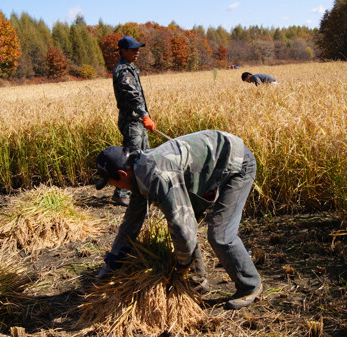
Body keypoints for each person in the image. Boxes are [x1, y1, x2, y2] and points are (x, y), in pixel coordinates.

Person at [95, 130, 263, 310]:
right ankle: (197, 281)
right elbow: (131, 222)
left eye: (111, 182)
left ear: (122, 174)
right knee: (182, 227)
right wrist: (113, 261)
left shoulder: (157, 176)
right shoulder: (137, 173)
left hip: (235, 162)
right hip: (206, 169)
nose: (113, 187)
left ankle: (250, 286)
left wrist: (182, 265)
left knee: (220, 235)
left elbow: (182, 226)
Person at [111, 35, 156, 206]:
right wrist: (145, 115)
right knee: (132, 157)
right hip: (132, 121)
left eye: (138, 49)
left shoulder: (129, 67)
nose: (137, 52)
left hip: (136, 120)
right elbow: (132, 95)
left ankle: (144, 190)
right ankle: (121, 193)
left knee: (144, 155)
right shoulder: (123, 70)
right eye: (133, 49)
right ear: (123, 51)